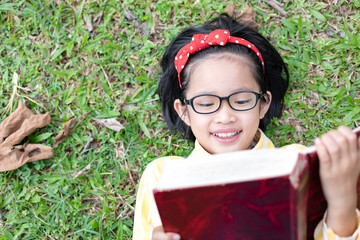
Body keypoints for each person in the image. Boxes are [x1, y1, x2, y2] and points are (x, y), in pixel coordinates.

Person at [133, 14, 360, 240]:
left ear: (263, 104)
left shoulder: (297, 162)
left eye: (241, 101)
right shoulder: (161, 176)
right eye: (205, 104)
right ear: (184, 111)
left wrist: (343, 203)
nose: (225, 117)